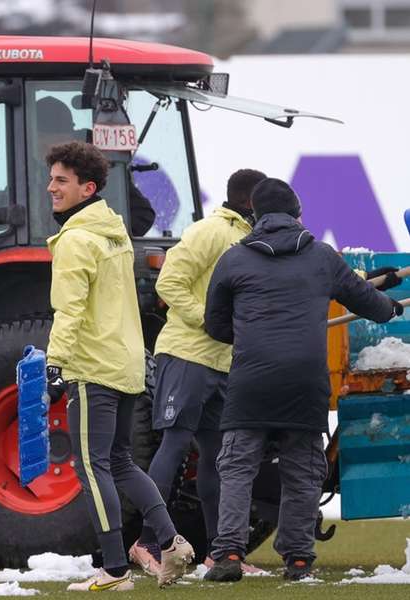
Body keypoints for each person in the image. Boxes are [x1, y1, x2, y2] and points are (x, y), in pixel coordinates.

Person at [202, 178, 402, 582]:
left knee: (238, 468)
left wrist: (252, 336)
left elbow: (215, 325)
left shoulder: (233, 260)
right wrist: (392, 306)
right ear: (298, 215)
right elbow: (371, 305)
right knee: (302, 470)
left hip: (251, 381)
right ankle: (296, 558)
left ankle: (228, 556)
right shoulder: (322, 258)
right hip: (304, 382)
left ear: (253, 217)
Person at [43, 141, 194, 591]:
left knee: (93, 468)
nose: (51, 187)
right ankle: (170, 542)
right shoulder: (114, 233)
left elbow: (68, 312)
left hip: (92, 368)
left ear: (87, 188)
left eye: (61, 180)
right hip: (127, 365)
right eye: (51, 178)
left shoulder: (75, 240)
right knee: (122, 462)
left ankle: (113, 570)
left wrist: (55, 365)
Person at [128, 168, 266, 575]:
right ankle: (146, 544)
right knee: (174, 446)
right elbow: (169, 283)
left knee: (217, 459)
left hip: (221, 363)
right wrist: (208, 322)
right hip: (187, 356)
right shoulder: (210, 231)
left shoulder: (246, 239)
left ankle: (217, 553)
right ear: (249, 203)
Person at [34, 96, 156, 237]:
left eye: (42, 139)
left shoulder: (98, 170)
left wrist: (103, 242)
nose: (52, 187)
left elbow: (141, 215)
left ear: (66, 135)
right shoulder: (36, 171)